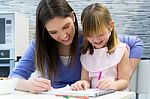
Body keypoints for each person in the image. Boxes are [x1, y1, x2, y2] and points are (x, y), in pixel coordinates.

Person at [9, 0, 143, 93]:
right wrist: (28, 85)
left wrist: (122, 78)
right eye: (53, 32)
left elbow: (136, 44)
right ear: (45, 31)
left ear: (73, 17)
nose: (63, 36)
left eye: (66, 27)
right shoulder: (39, 46)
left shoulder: (90, 39)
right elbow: (13, 78)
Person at [71, 3, 133, 91]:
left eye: (100, 34)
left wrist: (114, 85)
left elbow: (124, 81)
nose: (95, 40)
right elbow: (85, 79)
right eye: (89, 35)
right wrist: (82, 83)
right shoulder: (86, 54)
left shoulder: (121, 51)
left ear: (111, 26)